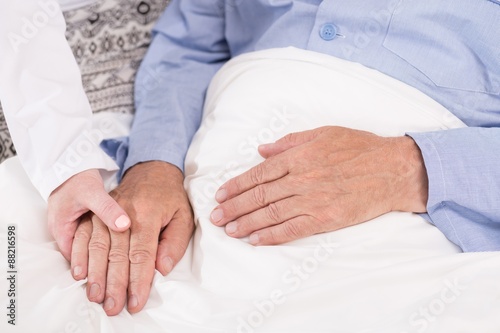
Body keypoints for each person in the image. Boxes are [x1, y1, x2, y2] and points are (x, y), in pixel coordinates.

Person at [3, 0, 500, 316]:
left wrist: (410, 168)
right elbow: (187, 52)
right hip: (204, 166)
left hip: (423, 195)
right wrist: (153, 164)